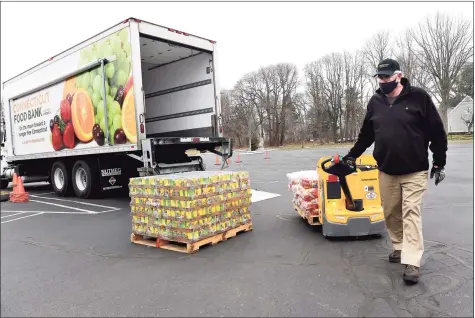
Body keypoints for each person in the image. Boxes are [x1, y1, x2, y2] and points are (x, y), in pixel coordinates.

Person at [343, 58, 447, 285]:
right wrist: (352, 155)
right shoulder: (376, 101)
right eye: (380, 77)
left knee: (411, 212)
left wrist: (439, 162)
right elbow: (366, 135)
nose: (383, 81)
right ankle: (399, 247)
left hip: (414, 170)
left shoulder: (419, 98)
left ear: (399, 76)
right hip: (387, 170)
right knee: (390, 212)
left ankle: (412, 261)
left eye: (387, 77)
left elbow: (437, 132)